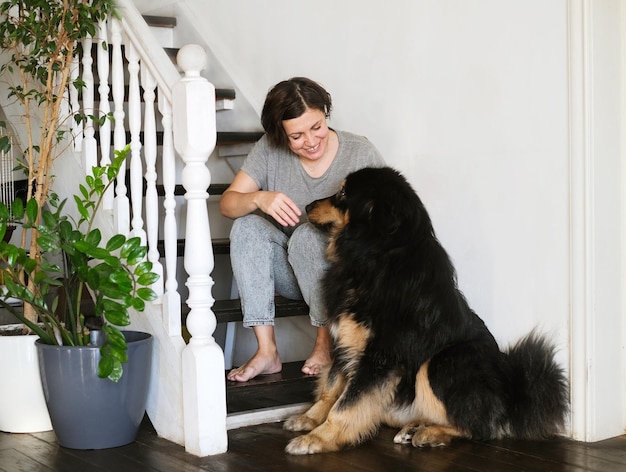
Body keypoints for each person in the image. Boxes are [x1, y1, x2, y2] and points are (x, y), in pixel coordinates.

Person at [220, 77, 385, 382]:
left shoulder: (360, 152)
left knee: (309, 235)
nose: (310, 141)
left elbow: (385, 224)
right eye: (296, 136)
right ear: (280, 134)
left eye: (317, 127)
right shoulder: (269, 150)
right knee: (245, 226)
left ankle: (325, 344)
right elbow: (228, 204)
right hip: (290, 271)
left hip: (341, 276)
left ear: (326, 114)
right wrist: (258, 197)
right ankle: (267, 351)